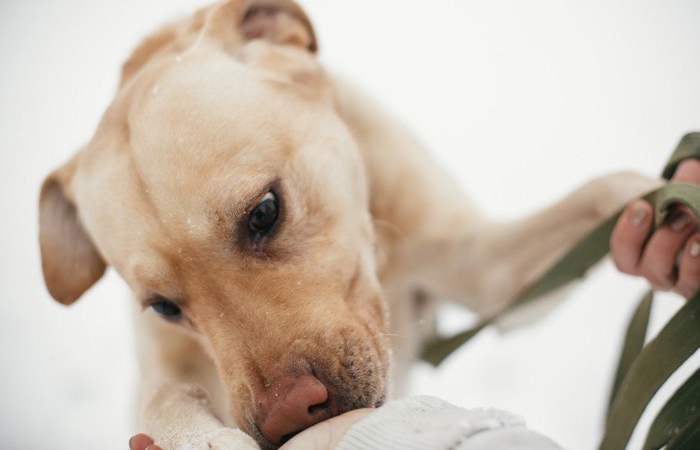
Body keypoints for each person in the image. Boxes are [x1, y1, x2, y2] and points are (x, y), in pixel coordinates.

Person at [129, 159, 700, 450]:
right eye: (167, 305)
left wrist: (616, 202)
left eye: (262, 217)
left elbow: (492, 275)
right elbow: (167, 377)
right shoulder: (147, 212)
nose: (278, 411)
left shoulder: (332, 143)